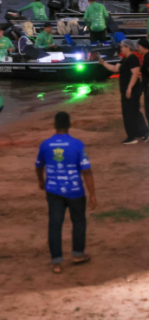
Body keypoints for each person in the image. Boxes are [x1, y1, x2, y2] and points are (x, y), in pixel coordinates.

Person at [35, 111, 96, 274]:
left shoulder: (46, 144)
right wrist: (92, 194)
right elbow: (86, 171)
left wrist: (41, 181)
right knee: (79, 222)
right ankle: (78, 254)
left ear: (54, 125)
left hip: (53, 190)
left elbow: (39, 166)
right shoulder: (77, 145)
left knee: (55, 224)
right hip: (75, 190)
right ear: (70, 125)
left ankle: (56, 263)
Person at [98, 39, 149, 144]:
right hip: (127, 90)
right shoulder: (124, 59)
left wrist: (129, 88)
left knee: (130, 112)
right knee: (131, 111)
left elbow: (135, 74)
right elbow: (115, 69)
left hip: (132, 90)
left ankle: (134, 136)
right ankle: (141, 133)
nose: (121, 49)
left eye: (122, 47)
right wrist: (103, 63)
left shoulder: (133, 58)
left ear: (127, 47)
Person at [137, 37, 149, 124]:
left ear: (143, 46)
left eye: (138, 46)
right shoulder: (146, 57)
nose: (137, 49)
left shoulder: (148, 57)